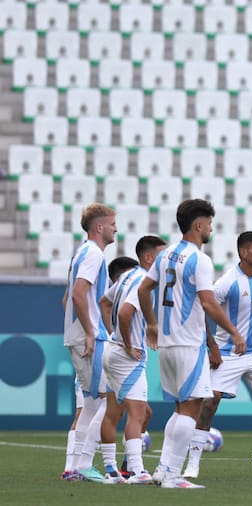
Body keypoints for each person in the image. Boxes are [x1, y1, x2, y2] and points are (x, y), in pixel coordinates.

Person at [138, 199, 247, 490]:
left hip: (167, 343)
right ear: (198, 225)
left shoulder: (165, 255)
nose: (211, 228)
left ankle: (163, 470)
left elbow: (143, 289)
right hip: (188, 344)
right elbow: (209, 303)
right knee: (192, 409)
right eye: (210, 223)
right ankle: (173, 475)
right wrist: (234, 333)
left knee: (179, 409)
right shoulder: (200, 259)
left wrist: (152, 323)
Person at [183, 231, 252, 480]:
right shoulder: (227, 282)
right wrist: (211, 345)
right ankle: (192, 462)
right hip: (228, 352)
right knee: (209, 403)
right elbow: (203, 309)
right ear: (243, 253)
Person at [99, 237, 166, 484]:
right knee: (137, 413)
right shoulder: (141, 281)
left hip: (110, 350)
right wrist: (127, 344)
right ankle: (136, 470)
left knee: (112, 413)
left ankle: (111, 470)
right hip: (127, 355)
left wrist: (112, 335)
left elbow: (104, 303)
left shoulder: (127, 275)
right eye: (162, 255)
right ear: (149, 258)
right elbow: (124, 313)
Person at [62, 203, 117, 482]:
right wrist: (89, 332)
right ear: (99, 227)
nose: (115, 228)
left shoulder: (79, 253)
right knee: (108, 401)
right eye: (112, 223)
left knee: (92, 403)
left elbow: (66, 298)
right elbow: (77, 295)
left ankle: (74, 467)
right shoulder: (94, 254)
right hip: (90, 336)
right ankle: (84, 464)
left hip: (82, 335)